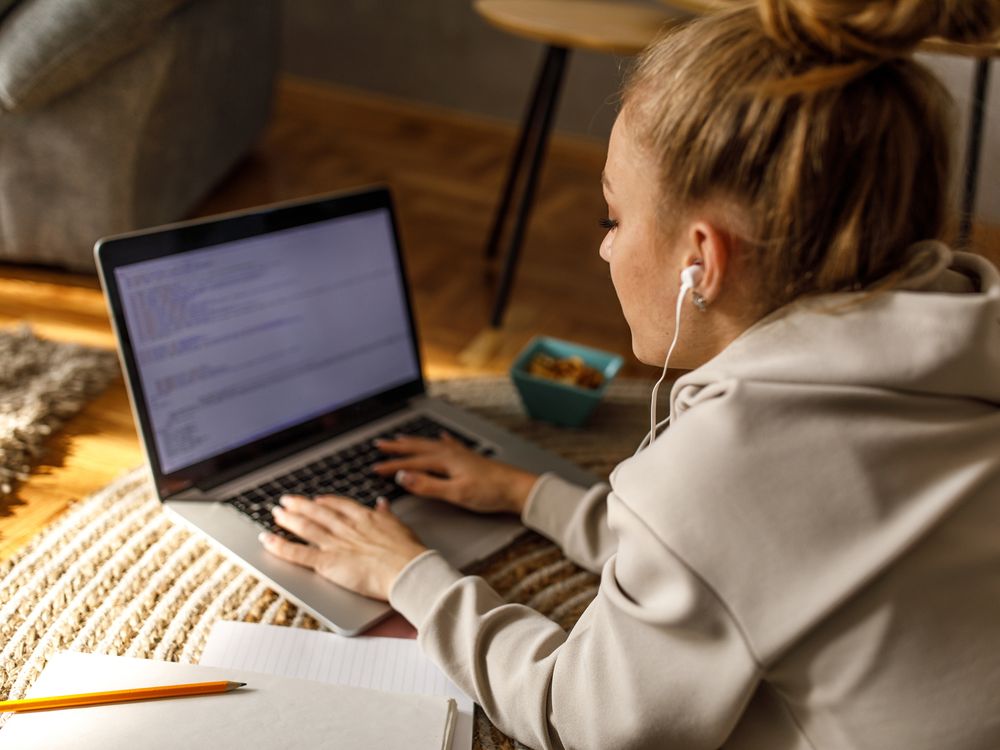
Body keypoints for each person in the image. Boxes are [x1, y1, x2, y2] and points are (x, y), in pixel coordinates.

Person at [258, 1, 1000, 747]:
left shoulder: (727, 465)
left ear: (701, 261)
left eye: (612, 218)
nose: (605, 251)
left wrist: (407, 574)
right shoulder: (963, 331)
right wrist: (527, 493)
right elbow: (749, 555)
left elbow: (583, 718)